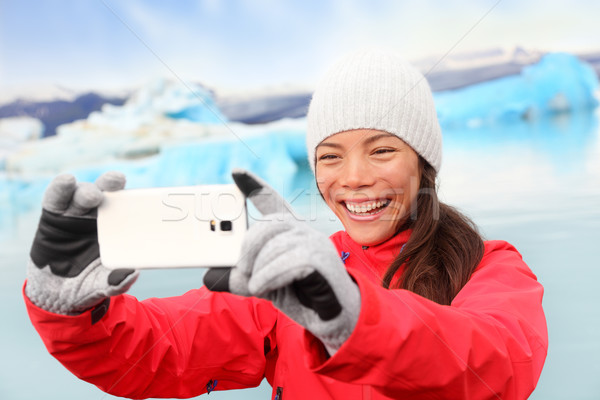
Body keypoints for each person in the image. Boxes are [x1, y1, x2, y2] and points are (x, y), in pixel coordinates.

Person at [23, 49, 548, 399]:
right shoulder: (293, 277)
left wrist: (355, 316)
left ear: (423, 163)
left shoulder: (490, 266)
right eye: (330, 157)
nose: (356, 178)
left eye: (382, 150)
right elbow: (161, 351)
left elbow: (499, 365)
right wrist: (70, 312)